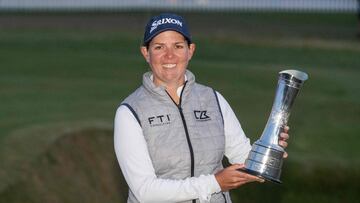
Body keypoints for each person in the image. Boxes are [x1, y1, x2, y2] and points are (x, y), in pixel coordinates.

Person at [114, 13, 290, 203]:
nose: (169, 55)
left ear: (190, 50)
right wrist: (214, 183)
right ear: (145, 53)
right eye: (159, 47)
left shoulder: (213, 100)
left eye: (178, 46)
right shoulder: (130, 112)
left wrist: (269, 152)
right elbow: (145, 191)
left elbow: (243, 158)